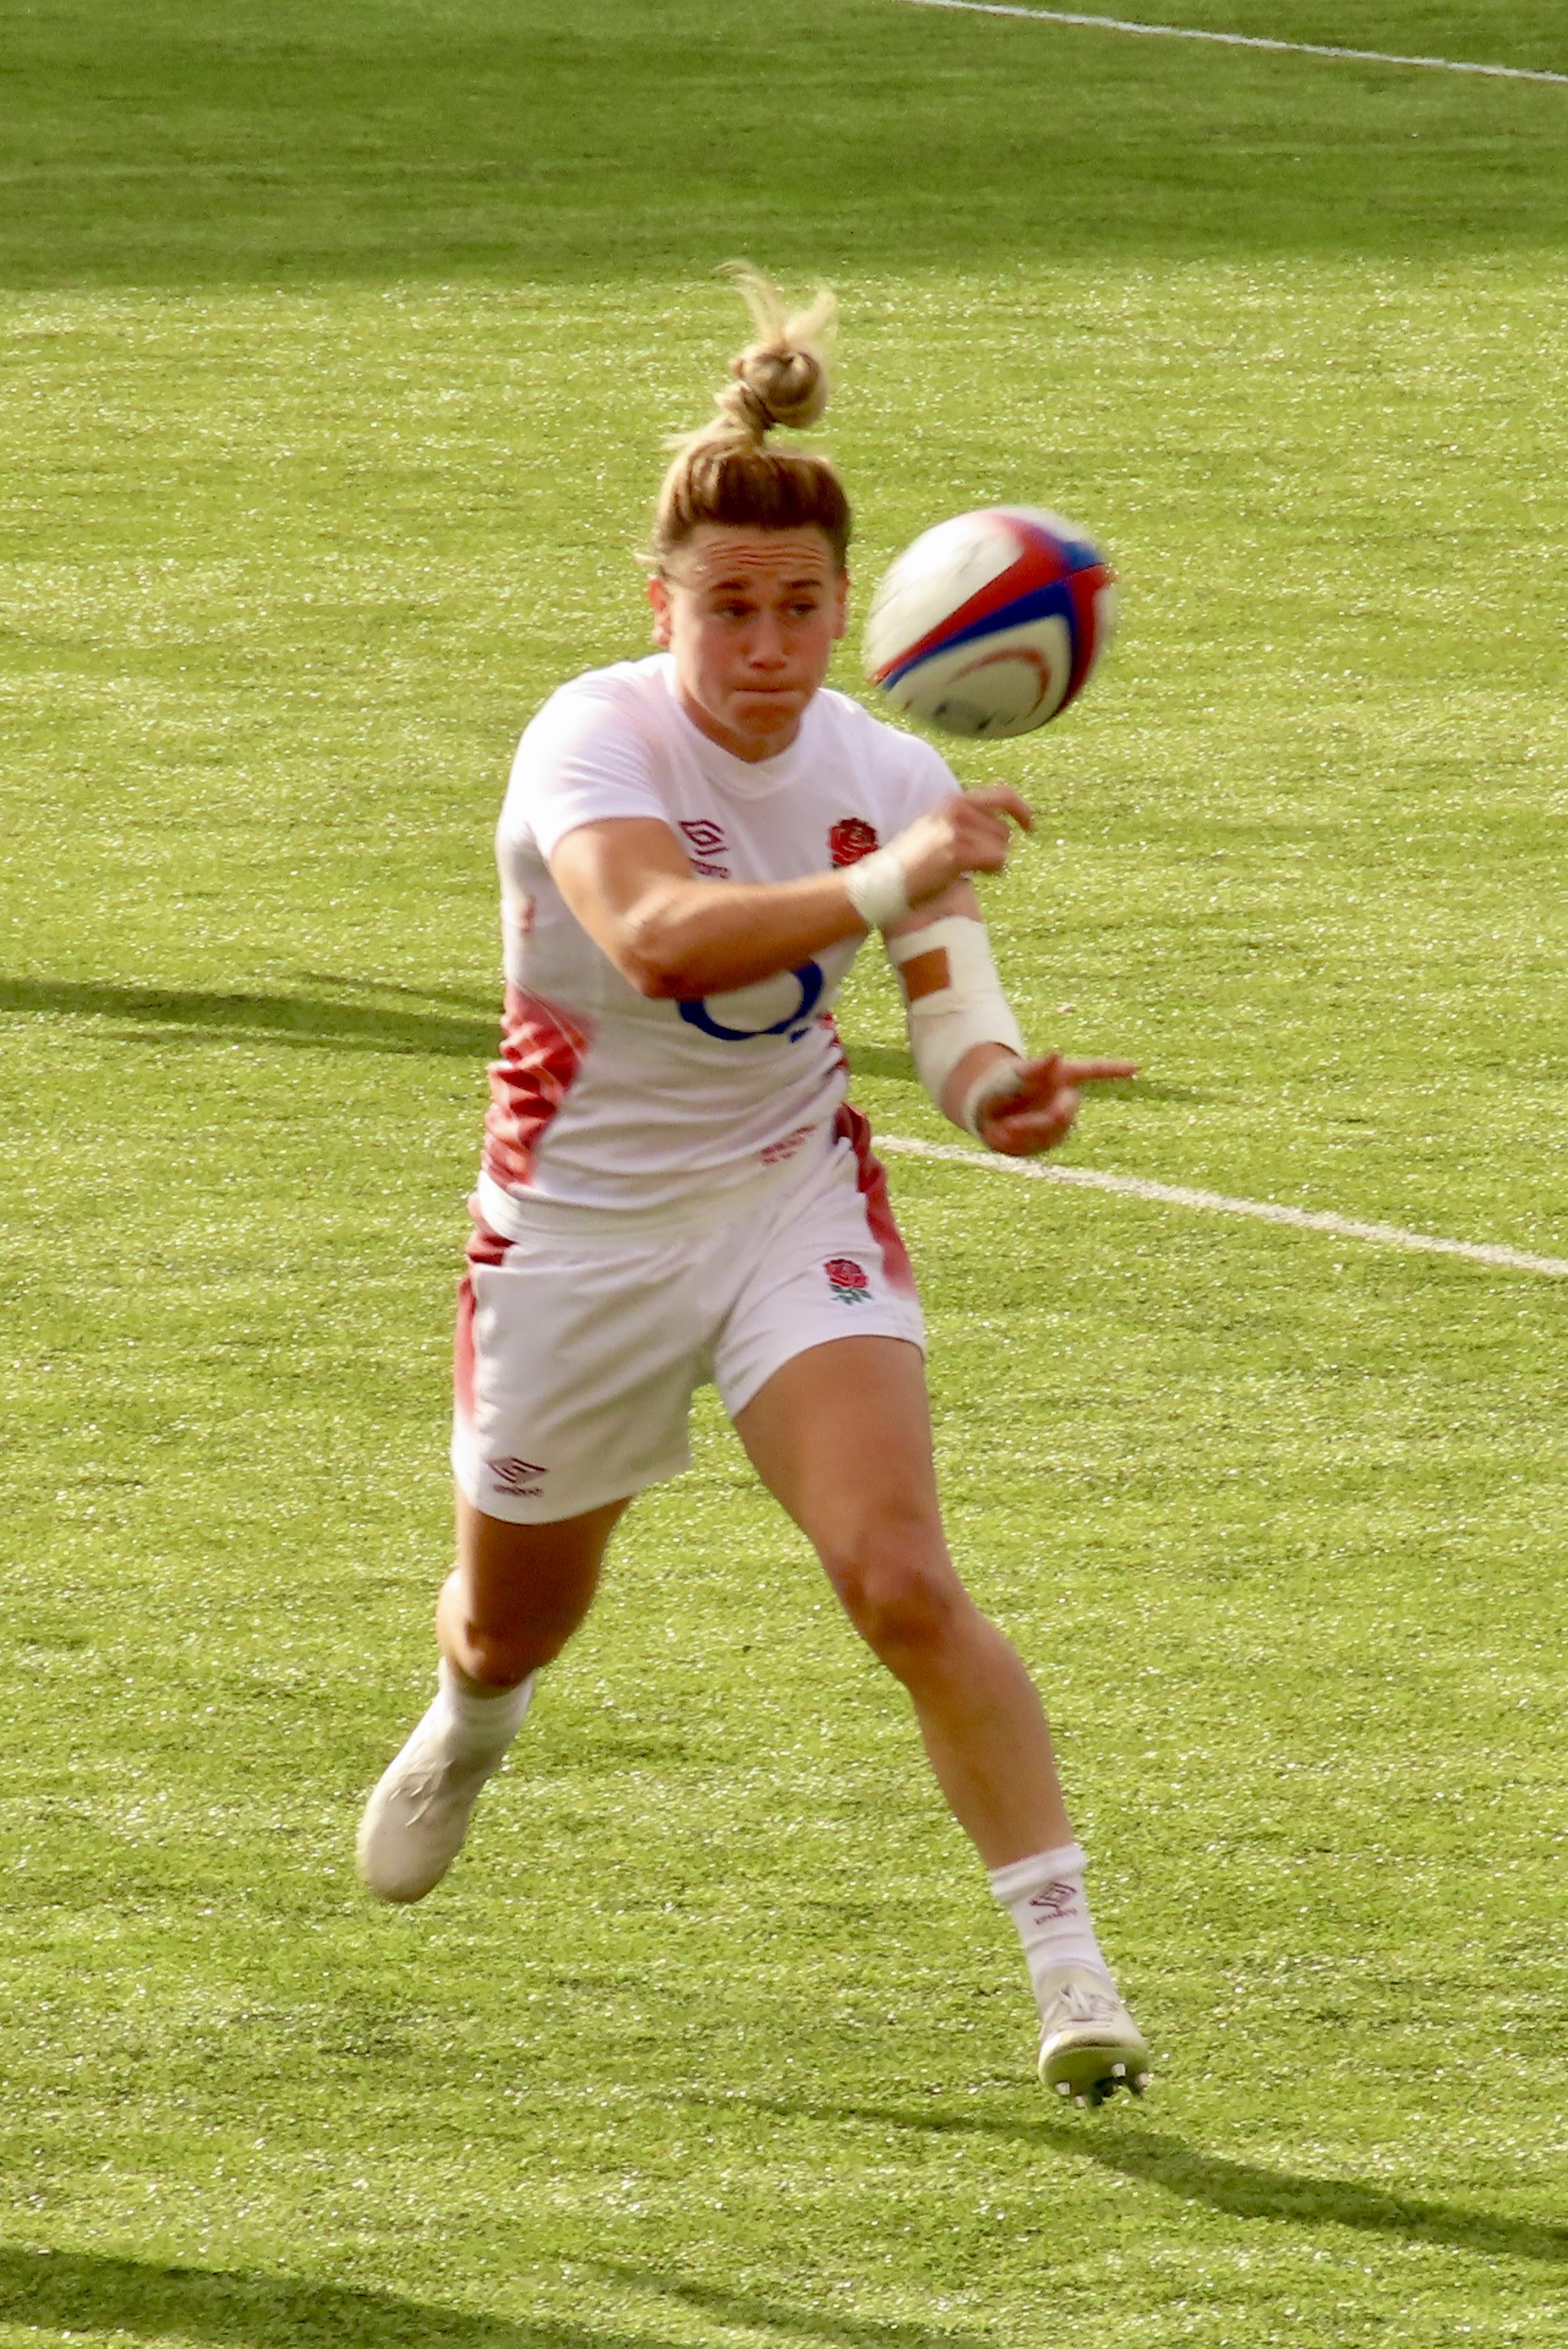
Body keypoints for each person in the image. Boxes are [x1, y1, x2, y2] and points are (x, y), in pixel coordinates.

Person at [358, 268, 1150, 2106]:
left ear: (851, 610)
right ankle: (475, 1714)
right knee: (513, 1617)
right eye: (729, 608)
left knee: (901, 1579)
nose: (768, 646)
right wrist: (886, 882)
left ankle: (1073, 1973)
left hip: (790, 1199)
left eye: (801, 608)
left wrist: (1000, 1091)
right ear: (661, 604)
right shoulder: (593, 736)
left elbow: (947, 1013)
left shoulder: (892, 768)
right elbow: (655, 937)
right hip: (573, 1236)